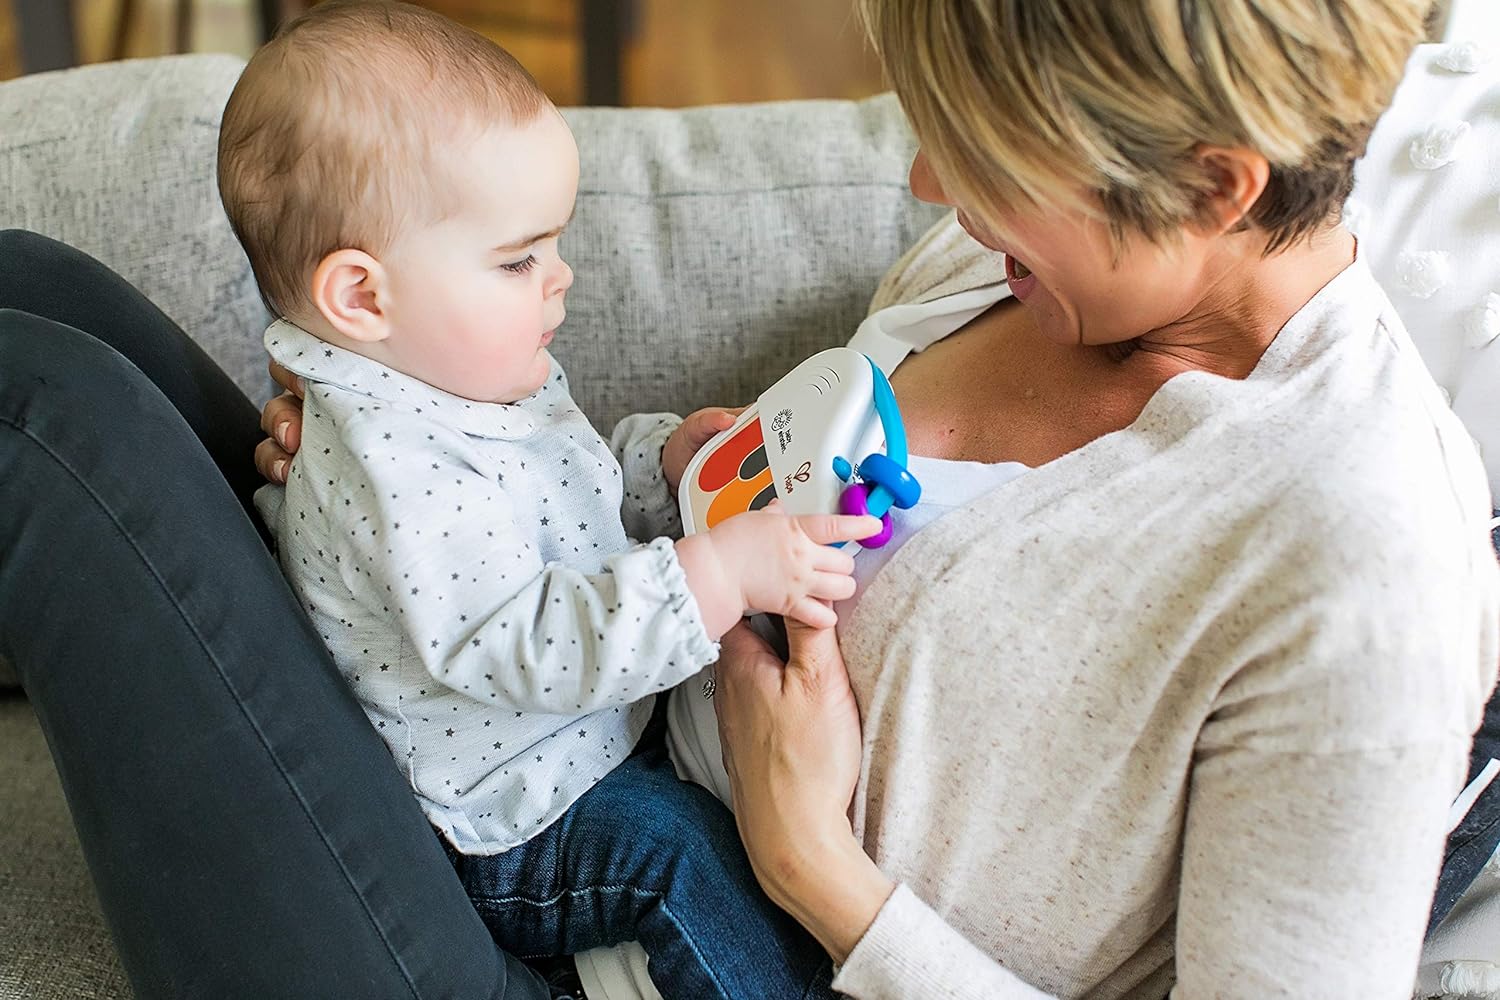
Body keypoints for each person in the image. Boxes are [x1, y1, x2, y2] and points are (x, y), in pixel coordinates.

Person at [2, 2, 1496, 1000]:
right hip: (514, 741)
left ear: (1218, 187)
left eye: (986, 159)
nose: (921, 184)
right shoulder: (1010, 272)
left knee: (41, 419)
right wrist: (374, 461)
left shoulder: (1357, 563)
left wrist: (819, 876)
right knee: (42, 288)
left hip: (602, 920)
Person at [215, 3, 876, 997]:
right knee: (678, 854)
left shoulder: (451, 376)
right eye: (519, 258)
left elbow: (556, 503)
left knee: (713, 815)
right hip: (513, 819)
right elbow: (524, 636)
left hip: (576, 743)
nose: (560, 279)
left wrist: (663, 463)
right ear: (363, 297)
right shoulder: (400, 470)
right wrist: (721, 572)